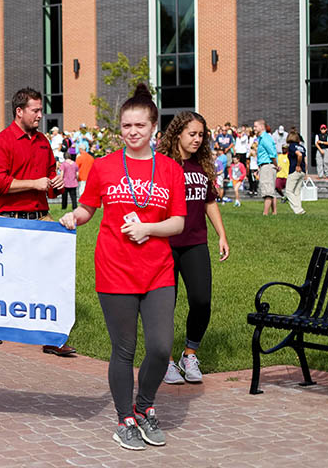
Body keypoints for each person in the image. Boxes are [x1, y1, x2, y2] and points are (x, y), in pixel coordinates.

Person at [60, 84, 186, 450]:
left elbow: (177, 222)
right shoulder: (103, 167)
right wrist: (74, 217)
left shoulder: (170, 170)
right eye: (127, 126)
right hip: (114, 270)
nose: (133, 132)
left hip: (158, 270)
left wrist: (149, 228)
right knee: (124, 350)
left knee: (162, 348)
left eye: (140, 126)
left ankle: (145, 406)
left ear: (154, 130)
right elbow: (88, 208)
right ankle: (125, 419)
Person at [0, 88, 74, 355]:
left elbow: (50, 181)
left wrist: (56, 184)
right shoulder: (1, 141)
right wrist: (34, 184)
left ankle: (52, 337)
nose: (40, 115)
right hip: (10, 219)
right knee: (5, 277)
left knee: (52, 278)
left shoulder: (43, 142)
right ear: (19, 111)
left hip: (41, 217)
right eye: (35, 110)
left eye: (40, 110)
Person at [156, 111, 230, 385]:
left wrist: (221, 235)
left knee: (201, 301)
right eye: (192, 134)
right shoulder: (162, 165)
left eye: (201, 135)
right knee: (165, 305)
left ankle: (190, 354)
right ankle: (165, 360)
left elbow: (209, 202)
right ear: (177, 134)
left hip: (196, 242)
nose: (198, 140)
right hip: (165, 244)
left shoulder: (201, 166)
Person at [255, 119, 278, 216]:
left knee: (267, 190)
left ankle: (265, 213)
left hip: (267, 166)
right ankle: (274, 212)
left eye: (256, 126)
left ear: (261, 127)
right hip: (265, 165)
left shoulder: (265, 138)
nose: (254, 128)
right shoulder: (261, 138)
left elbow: (272, 153)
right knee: (270, 189)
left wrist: (276, 165)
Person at [284, 129, 307, 215]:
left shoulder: (292, 146)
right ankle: (300, 210)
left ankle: (298, 209)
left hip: (294, 170)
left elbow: (299, 155)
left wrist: (297, 165)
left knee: (289, 191)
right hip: (302, 171)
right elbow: (305, 159)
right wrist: (305, 172)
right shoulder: (302, 147)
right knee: (297, 192)